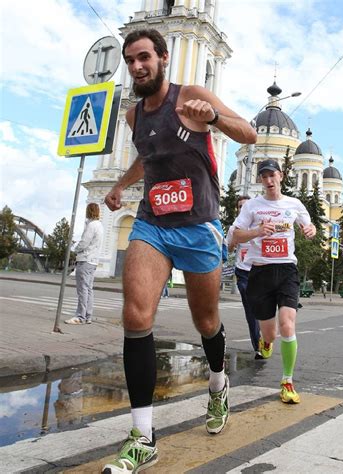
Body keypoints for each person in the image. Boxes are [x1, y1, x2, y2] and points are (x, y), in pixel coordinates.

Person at [102, 28, 257, 473]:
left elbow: (246, 133)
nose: (136, 66)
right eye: (130, 60)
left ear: (163, 58)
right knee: (136, 316)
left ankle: (217, 384)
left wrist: (211, 118)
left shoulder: (189, 94)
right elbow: (146, 157)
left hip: (199, 227)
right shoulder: (134, 117)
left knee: (206, 322)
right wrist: (119, 185)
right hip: (153, 225)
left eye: (144, 57)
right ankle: (143, 437)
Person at [233, 159, 316, 405]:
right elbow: (236, 235)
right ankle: (265, 341)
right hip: (260, 273)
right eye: (264, 176)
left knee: (288, 325)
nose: (269, 181)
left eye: (272, 175)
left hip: (287, 270)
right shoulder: (252, 207)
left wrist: (310, 230)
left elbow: (308, 225)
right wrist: (257, 231)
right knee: (270, 333)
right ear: (260, 180)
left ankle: (287, 382)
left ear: (281, 176)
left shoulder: (295, 204)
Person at [226, 195, 263, 360]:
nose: (243, 208)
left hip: (261, 271)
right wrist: (234, 241)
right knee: (251, 312)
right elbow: (229, 249)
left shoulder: (260, 224)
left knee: (263, 310)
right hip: (243, 273)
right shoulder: (234, 228)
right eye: (240, 206)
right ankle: (258, 347)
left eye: (246, 205)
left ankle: (265, 335)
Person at [65, 203, 103, 325]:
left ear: (89, 211)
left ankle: (80, 316)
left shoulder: (91, 226)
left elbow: (84, 242)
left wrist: (75, 249)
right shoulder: (100, 226)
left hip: (85, 259)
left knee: (82, 289)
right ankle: (88, 316)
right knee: (88, 289)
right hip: (93, 261)